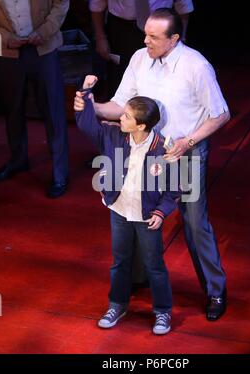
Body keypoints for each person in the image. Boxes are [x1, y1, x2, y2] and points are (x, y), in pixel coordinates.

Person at [74, 8, 231, 321]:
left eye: (154, 37)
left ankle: (215, 290)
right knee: (135, 213)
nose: (145, 40)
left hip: (184, 153)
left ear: (174, 39)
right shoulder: (139, 58)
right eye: (145, 34)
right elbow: (120, 107)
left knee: (194, 222)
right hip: (144, 152)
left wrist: (188, 141)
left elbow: (221, 113)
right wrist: (92, 107)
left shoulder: (196, 66)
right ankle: (137, 279)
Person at [75, 75, 181, 334]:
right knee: (120, 261)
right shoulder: (113, 136)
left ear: (141, 126)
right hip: (120, 211)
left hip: (147, 217)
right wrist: (85, 90)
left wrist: (161, 212)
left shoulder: (164, 148)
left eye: (126, 116)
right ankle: (117, 304)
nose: (120, 118)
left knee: (153, 265)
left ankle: (162, 312)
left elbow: (177, 187)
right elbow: (86, 123)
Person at [0, 0, 69, 198]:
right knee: (13, 109)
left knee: (53, 111)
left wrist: (45, 32)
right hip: (5, 49)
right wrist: (6, 38)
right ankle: (18, 159)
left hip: (45, 46)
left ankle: (60, 172)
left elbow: (61, 4)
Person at [89, 0, 194, 98]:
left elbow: (183, 6)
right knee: (119, 78)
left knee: (161, 76)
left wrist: (181, 38)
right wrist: (100, 37)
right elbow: (97, 4)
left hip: (162, 27)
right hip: (121, 29)